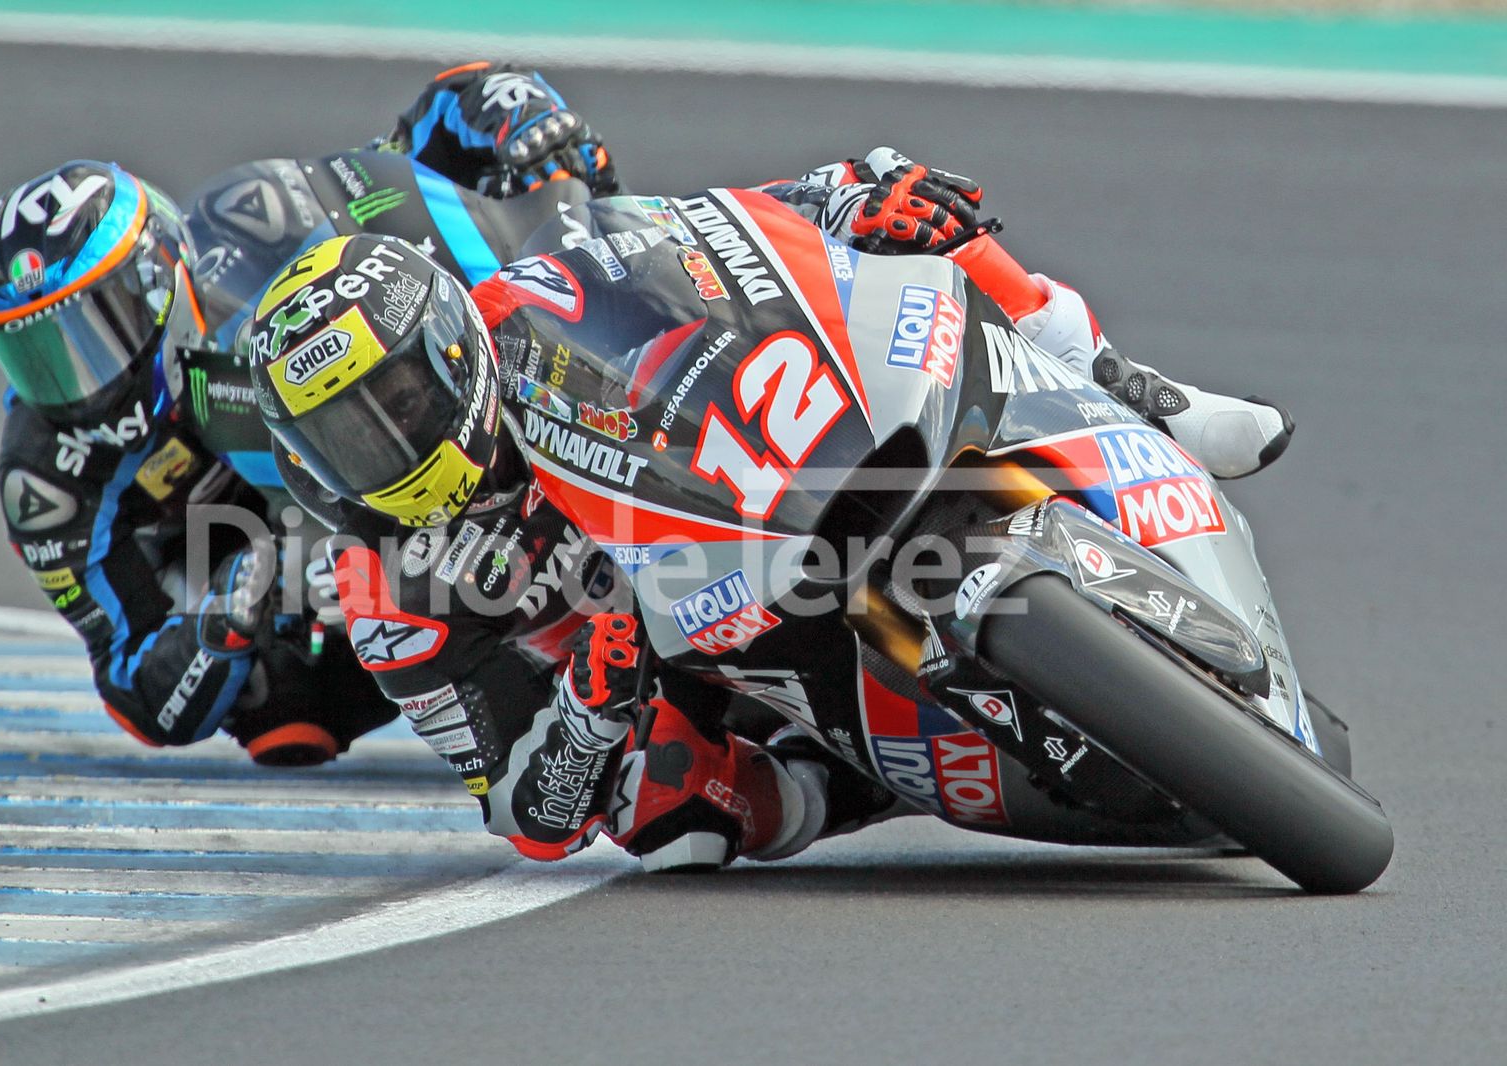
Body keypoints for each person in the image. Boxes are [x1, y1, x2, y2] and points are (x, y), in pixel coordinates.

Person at [243, 145, 1294, 869]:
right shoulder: (382, 586)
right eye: (347, 437)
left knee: (913, 207)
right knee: (661, 820)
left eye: (399, 403)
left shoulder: (533, 299)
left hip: (746, 490)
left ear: (448, 347)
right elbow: (526, 814)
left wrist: (848, 195)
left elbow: (722, 231)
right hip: (675, 654)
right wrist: (590, 703)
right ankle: (827, 787)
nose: (389, 445)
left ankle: (1134, 387)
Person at [0, 62, 619, 766]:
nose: (74, 381)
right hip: (297, 597)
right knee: (279, 715)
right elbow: (135, 689)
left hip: (421, 455)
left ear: (160, 275)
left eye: (93, 332)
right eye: (33, 353)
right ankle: (519, 707)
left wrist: (515, 123)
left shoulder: (256, 223)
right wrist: (234, 608)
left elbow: (413, 143)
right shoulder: (45, 478)